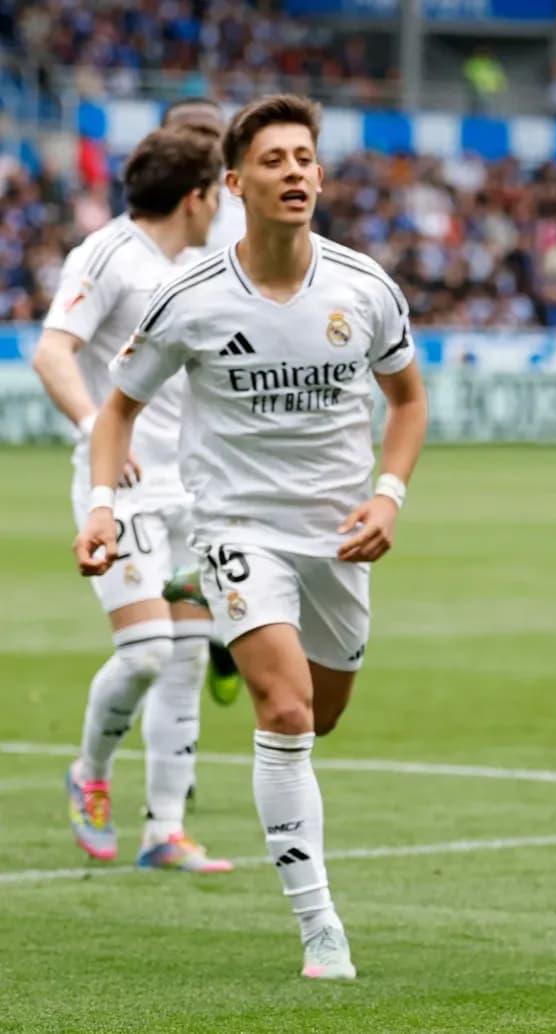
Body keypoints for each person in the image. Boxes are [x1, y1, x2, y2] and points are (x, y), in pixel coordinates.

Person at [75, 94, 430, 982]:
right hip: (235, 527)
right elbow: (117, 411)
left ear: (322, 176)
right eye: (274, 160)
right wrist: (104, 507)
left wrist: (388, 497)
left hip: (337, 535)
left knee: (325, 712)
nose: (295, 172)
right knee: (286, 711)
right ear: (235, 184)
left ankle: (236, 636)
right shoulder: (189, 299)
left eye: (305, 158)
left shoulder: (364, 287)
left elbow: (408, 402)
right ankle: (321, 928)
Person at [32, 128, 234, 873]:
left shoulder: (196, 268)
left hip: (192, 492)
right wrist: (98, 429)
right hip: (121, 492)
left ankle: (165, 832)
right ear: (196, 198)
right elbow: (52, 351)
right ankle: (88, 773)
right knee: (147, 652)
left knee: (186, 659)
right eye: (217, 196)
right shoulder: (108, 255)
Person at [156, 95, 249, 708]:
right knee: (157, 629)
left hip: (228, 406)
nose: (200, 143)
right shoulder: (151, 211)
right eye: (187, 131)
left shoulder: (244, 210)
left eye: (210, 133)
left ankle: (220, 635)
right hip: (160, 413)